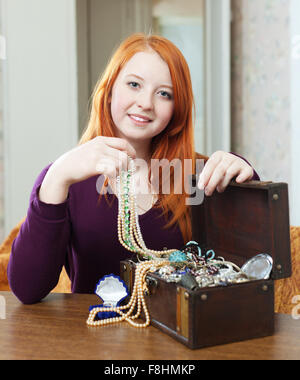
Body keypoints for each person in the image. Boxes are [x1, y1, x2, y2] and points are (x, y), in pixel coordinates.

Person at [8, 33, 259, 304]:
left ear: (177, 108)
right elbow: (27, 289)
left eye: (164, 93)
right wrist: (56, 178)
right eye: (134, 84)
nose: (146, 103)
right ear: (110, 89)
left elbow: (252, 266)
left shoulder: (198, 177)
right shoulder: (65, 178)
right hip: (92, 339)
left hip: (183, 340)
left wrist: (243, 179)